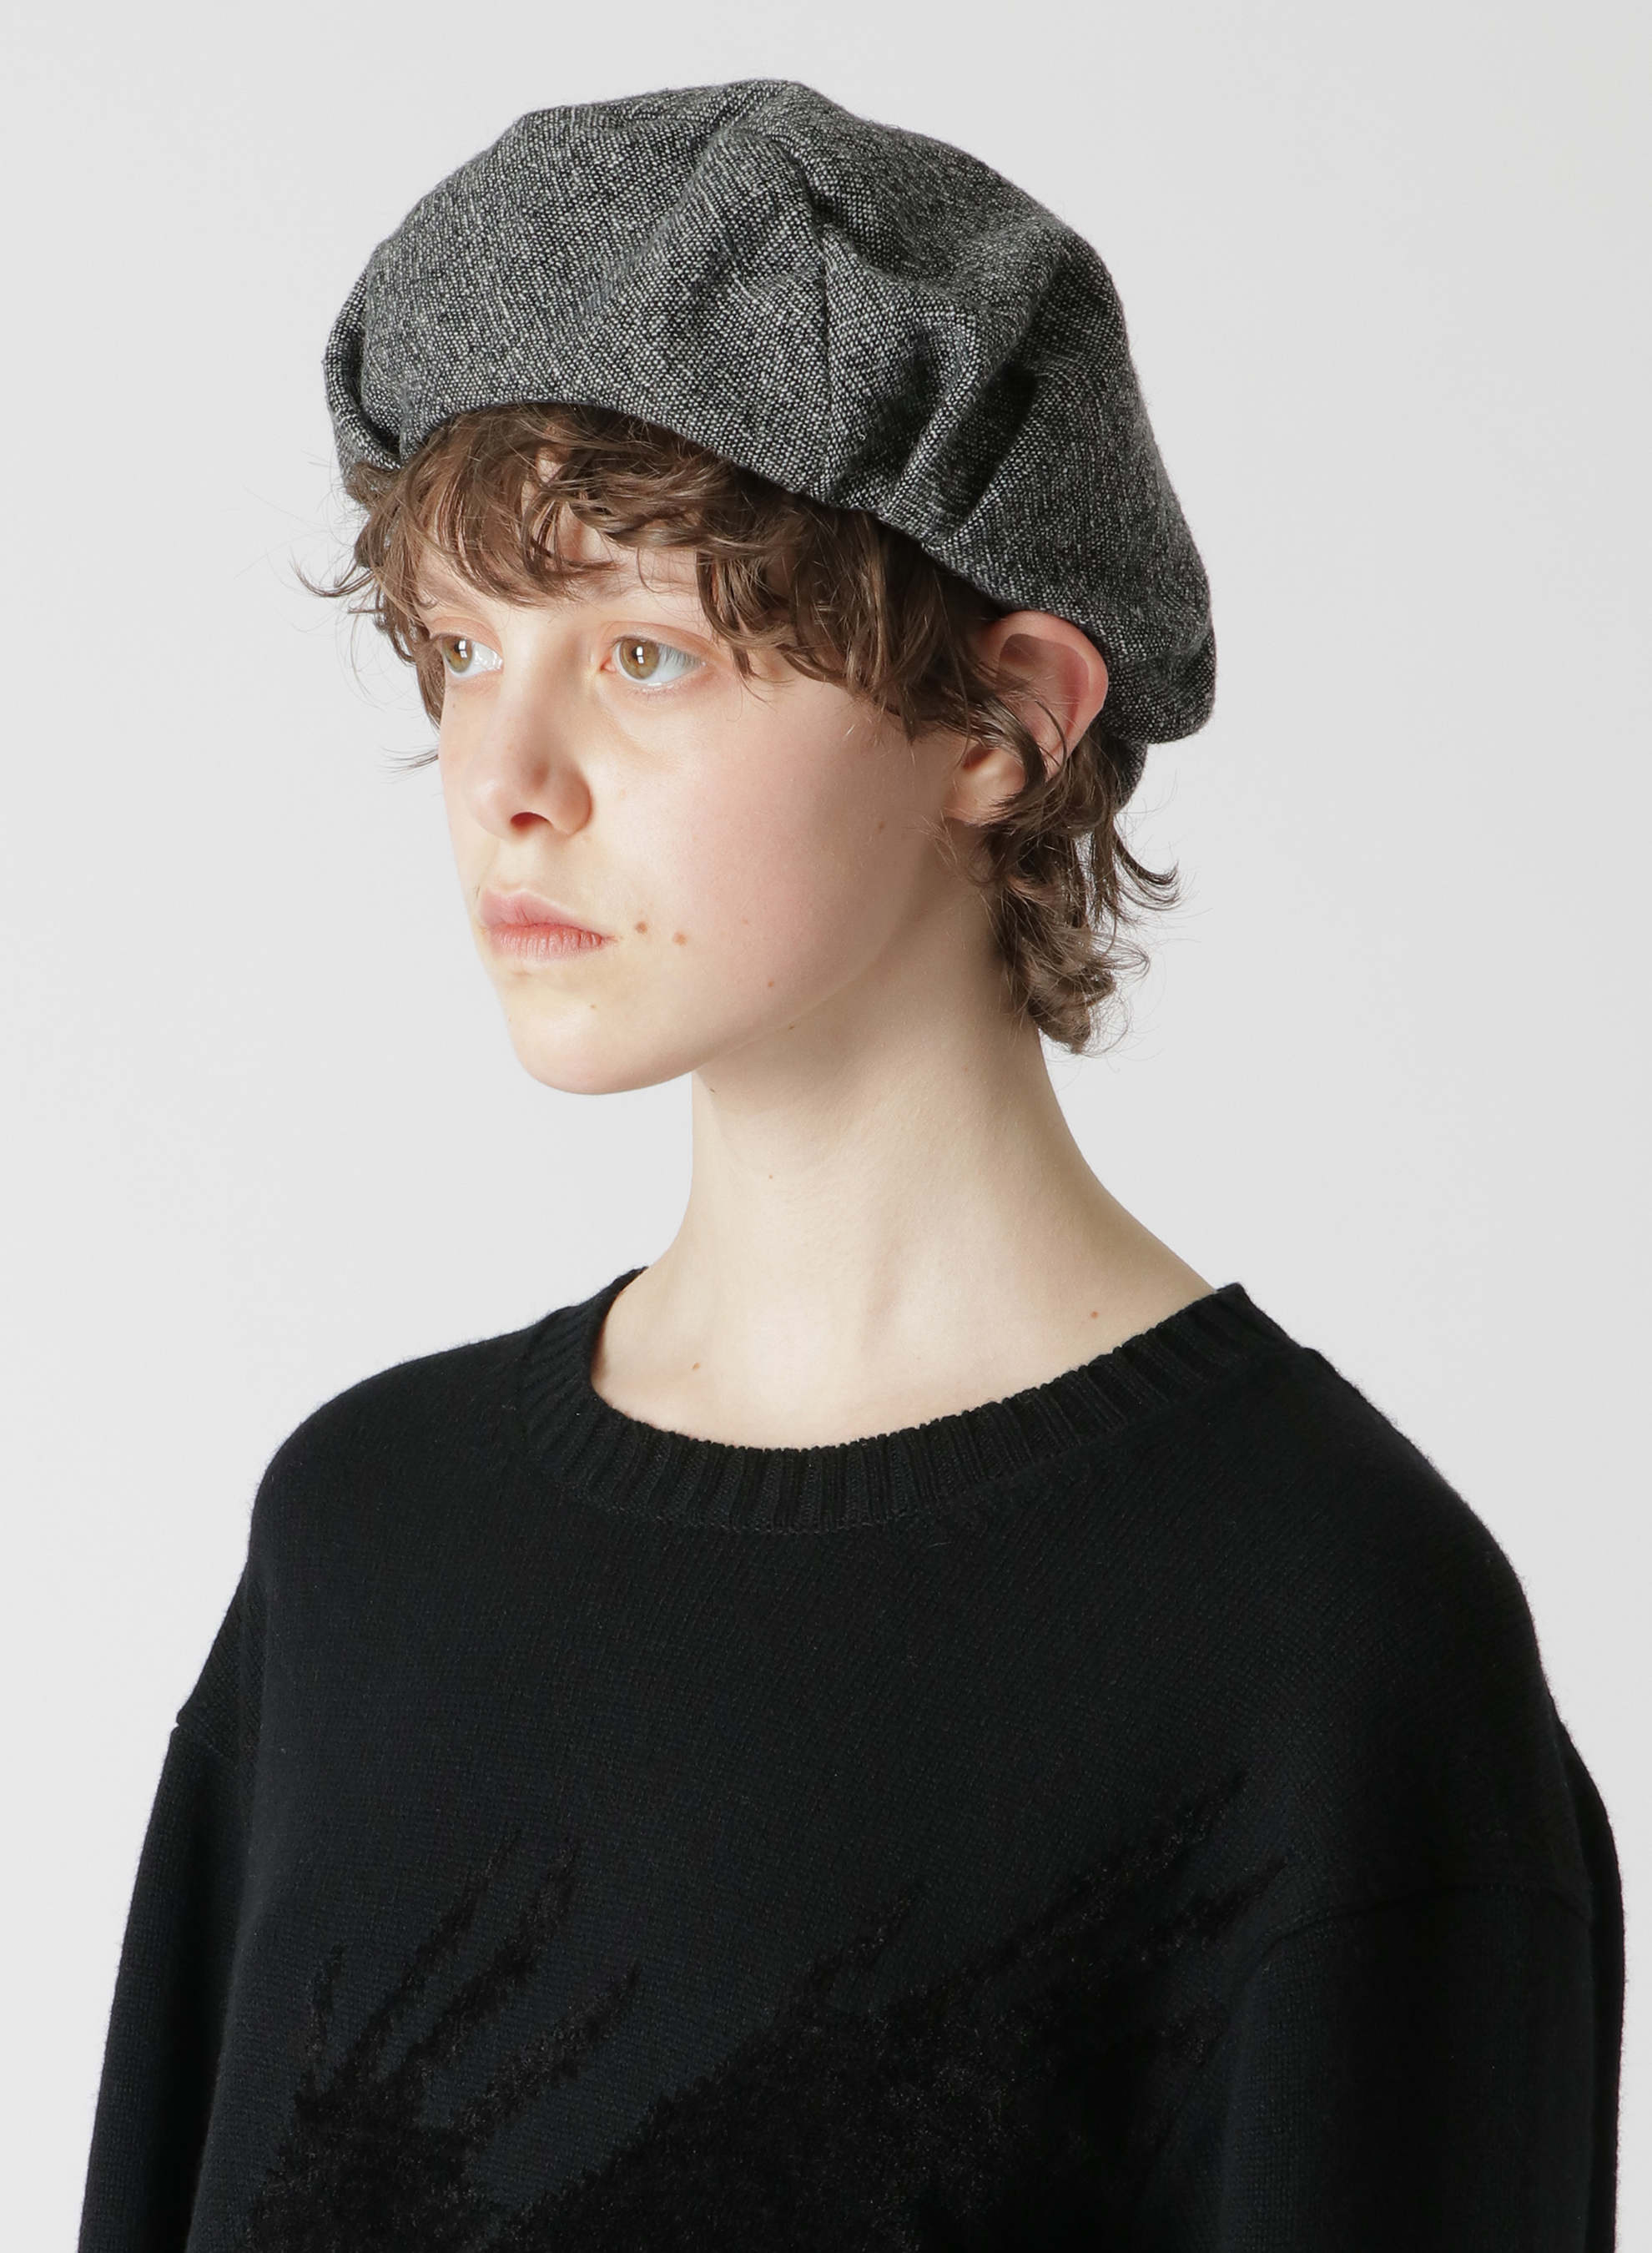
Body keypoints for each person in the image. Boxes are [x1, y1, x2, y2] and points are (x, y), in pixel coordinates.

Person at [78, 80, 1621, 2253]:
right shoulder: (362, 1542)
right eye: (460, 650)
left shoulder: (1323, 1643)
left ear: (1007, 719)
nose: (504, 776)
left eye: (645, 653)